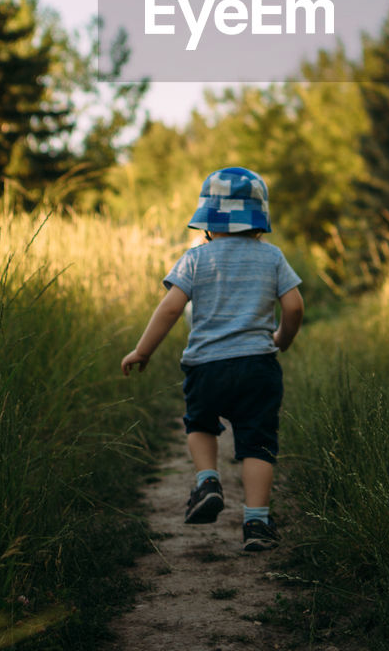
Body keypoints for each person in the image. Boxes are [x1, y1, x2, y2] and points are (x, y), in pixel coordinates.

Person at [121, 166, 304, 552]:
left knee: (200, 423)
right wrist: (282, 339)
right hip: (258, 365)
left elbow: (170, 310)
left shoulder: (195, 259)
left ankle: (207, 480)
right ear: (260, 221)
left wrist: (143, 350)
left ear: (208, 222)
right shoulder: (272, 257)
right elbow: (294, 306)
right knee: (257, 442)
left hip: (207, 367)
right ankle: (256, 524)